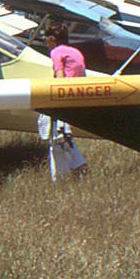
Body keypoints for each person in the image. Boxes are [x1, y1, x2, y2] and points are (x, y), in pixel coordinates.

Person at [41, 23, 88, 179]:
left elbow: (60, 76)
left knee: (55, 136)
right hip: (77, 95)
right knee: (62, 134)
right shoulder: (75, 51)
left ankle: (66, 172)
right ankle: (75, 165)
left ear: (51, 39)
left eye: (46, 39)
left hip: (65, 96)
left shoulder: (56, 52)